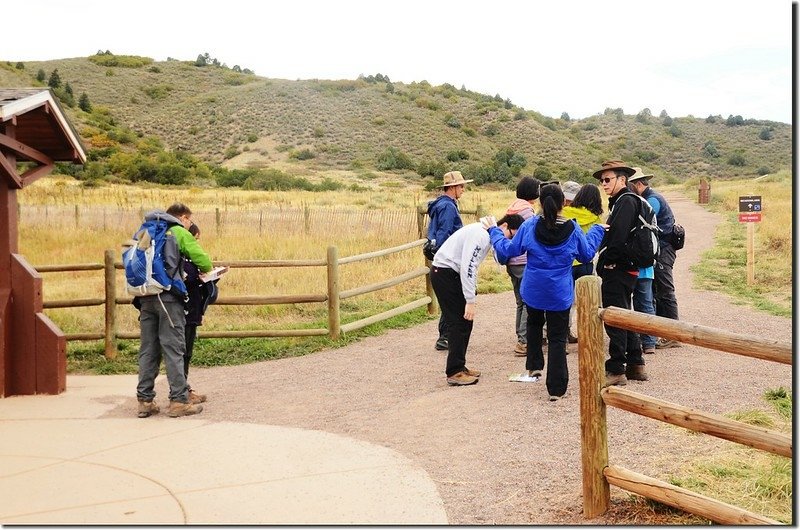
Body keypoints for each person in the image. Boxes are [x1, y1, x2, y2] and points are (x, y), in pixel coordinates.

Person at [487, 184, 604, 401]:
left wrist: (494, 232)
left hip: (533, 289)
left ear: (540, 203)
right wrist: (597, 230)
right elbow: (587, 254)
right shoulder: (573, 228)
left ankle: (534, 366)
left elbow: (508, 252)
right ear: (563, 203)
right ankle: (556, 390)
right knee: (557, 338)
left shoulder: (529, 226)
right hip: (559, 292)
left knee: (533, 323)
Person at [135, 203, 212, 418]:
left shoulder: (146, 229)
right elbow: (203, 260)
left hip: (145, 296)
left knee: (148, 349)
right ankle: (178, 401)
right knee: (174, 348)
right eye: (189, 220)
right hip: (169, 298)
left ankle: (145, 400)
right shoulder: (178, 231)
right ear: (184, 217)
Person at [431, 214, 524, 386]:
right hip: (445, 273)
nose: (509, 239)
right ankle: (454, 371)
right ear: (504, 226)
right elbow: (468, 266)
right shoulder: (480, 235)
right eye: (511, 235)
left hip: (452, 273)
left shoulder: (487, 234)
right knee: (458, 321)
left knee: (465, 321)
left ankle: (460, 365)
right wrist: (470, 300)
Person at [593, 160, 648, 386]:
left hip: (620, 268)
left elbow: (617, 239)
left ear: (622, 180)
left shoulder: (625, 202)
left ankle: (616, 369)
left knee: (615, 318)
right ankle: (636, 364)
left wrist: (607, 262)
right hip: (629, 267)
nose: (603, 184)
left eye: (608, 179)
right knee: (625, 314)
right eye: (601, 180)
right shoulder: (624, 201)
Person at [628, 168, 681, 349]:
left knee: (665, 290)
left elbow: (642, 221)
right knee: (658, 290)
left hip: (664, 249)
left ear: (638, 185)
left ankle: (674, 334)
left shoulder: (651, 201)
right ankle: (662, 332)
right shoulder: (650, 198)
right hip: (662, 248)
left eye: (629, 185)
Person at [426, 171, 472, 351]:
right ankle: (445, 336)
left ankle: (446, 335)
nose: (463, 189)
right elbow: (444, 232)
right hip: (448, 259)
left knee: (449, 298)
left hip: (442, 258)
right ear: (452, 187)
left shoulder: (441, 204)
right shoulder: (448, 207)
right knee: (452, 298)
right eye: (461, 186)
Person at [181, 222, 220, 404]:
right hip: (186, 310)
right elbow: (189, 281)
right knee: (183, 352)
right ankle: (182, 392)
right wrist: (204, 276)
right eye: (195, 239)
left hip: (188, 309)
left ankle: (181, 390)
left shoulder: (181, 258)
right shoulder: (185, 259)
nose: (197, 243)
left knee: (182, 352)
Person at [503, 176, 541, 356]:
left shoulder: (513, 207)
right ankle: (524, 342)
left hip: (511, 260)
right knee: (528, 302)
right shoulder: (527, 211)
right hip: (523, 260)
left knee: (520, 301)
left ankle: (520, 336)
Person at [562, 183, 604, 343]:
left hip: (567, 262)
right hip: (585, 262)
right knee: (587, 300)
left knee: (566, 300)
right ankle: (587, 333)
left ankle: (564, 333)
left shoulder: (565, 213)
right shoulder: (595, 218)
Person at [628, 169, 658, 355]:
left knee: (628, 305)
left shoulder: (627, 206)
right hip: (647, 265)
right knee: (646, 303)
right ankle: (649, 342)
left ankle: (633, 341)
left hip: (630, 265)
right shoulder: (648, 205)